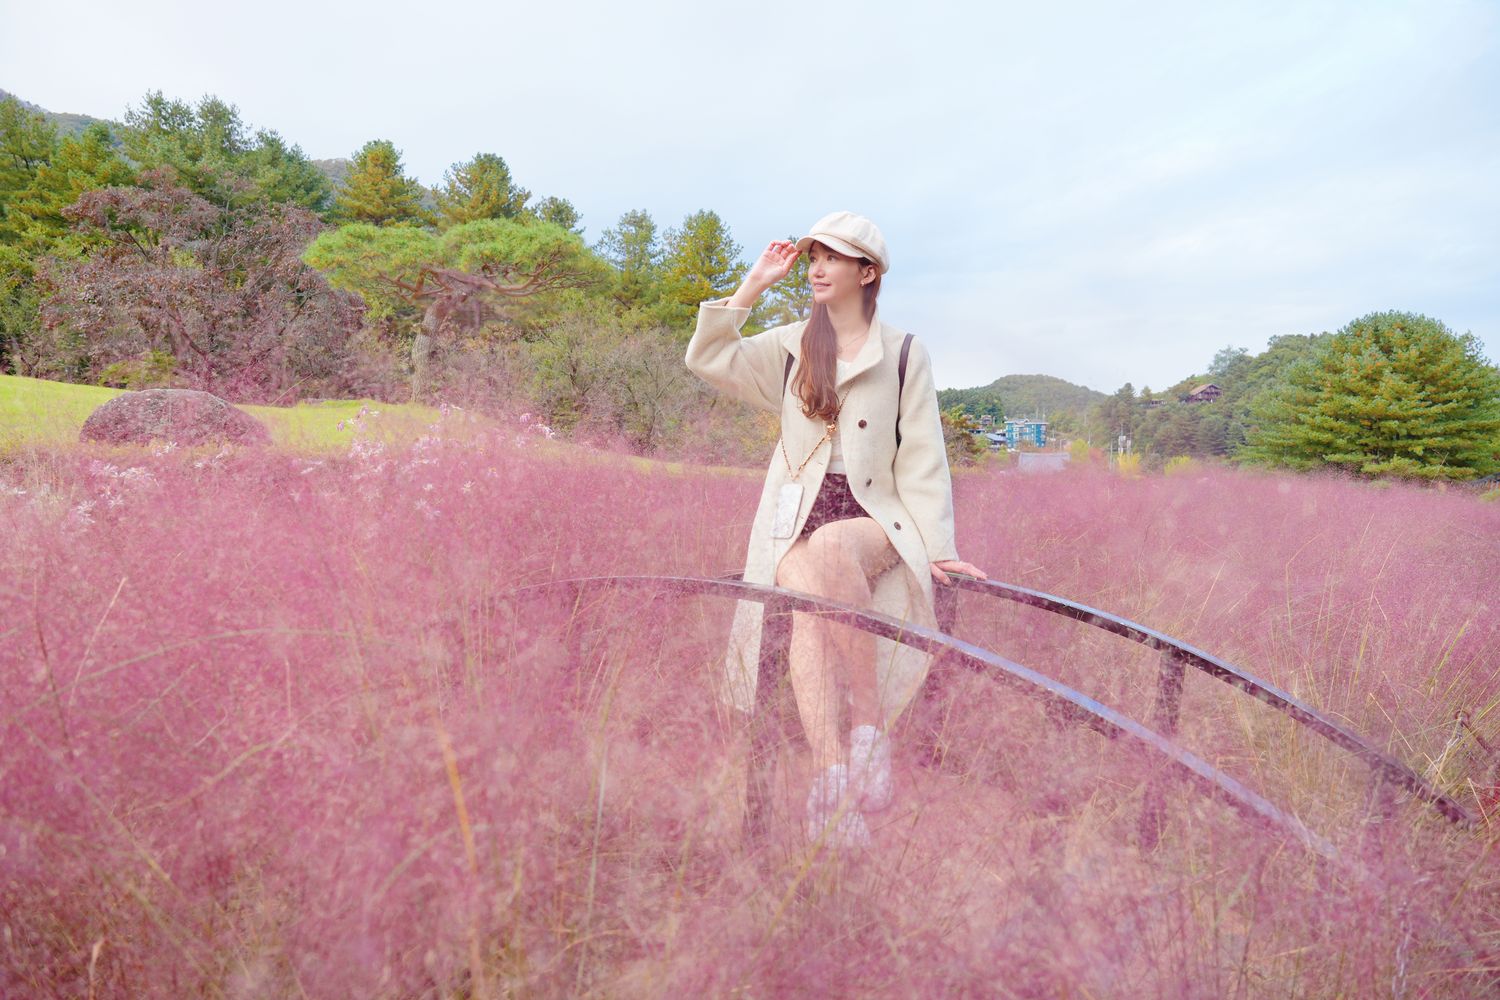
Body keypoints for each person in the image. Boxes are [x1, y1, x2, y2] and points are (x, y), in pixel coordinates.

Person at [686, 210, 985, 847]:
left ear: (867, 272)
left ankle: (867, 730)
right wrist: (755, 283)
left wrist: (940, 549)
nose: (817, 267)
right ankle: (834, 779)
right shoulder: (793, 344)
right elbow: (708, 358)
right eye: (813, 256)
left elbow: (925, 458)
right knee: (807, 611)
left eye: (833, 258)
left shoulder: (904, 353)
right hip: (794, 515)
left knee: (829, 552)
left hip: (876, 512)